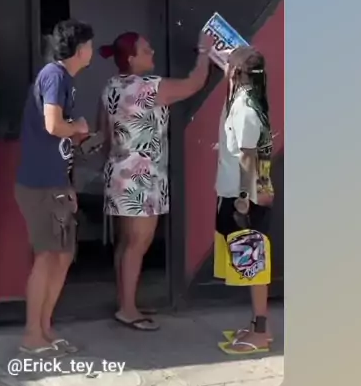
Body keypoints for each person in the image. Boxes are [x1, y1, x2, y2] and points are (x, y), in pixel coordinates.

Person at [98, 30, 213, 331]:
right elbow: (194, 83)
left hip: (119, 171)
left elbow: (104, 133)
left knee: (127, 242)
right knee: (138, 243)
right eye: (146, 50)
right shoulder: (148, 87)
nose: (152, 54)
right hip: (143, 177)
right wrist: (205, 52)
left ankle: (126, 301)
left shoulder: (111, 86)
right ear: (131, 58)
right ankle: (127, 309)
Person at [14, 19, 94, 353]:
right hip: (41, 185)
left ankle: (45, 329)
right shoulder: (55, 76)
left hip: (53, 183)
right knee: (48, 256)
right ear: (80, 49)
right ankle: (32, 335)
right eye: (89, 45)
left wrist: (67, 184)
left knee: (61, 255)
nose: (92, 50)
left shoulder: (62, 79)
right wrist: (78, 127)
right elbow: (53, 125)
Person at [215, 45, 275, 354]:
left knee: (254, 264)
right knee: (249, 262)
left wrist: (243, 197)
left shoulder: (246, 108)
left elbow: (248, 156)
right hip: (238, 192)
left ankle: (261, 331)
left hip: (243, 197)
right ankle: (256, 325)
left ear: (236, 72)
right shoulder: (242, 99)